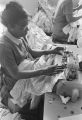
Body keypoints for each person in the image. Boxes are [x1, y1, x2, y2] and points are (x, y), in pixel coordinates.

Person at [0, 1, 65, 113]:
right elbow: (16, 74)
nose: (28, 30)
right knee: (38, 104)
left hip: (27, 69)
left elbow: (31, 52)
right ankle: (12, 101)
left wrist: (49, 51)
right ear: (11, 27)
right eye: (23, 27)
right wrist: (43, 71)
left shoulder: (19, 35)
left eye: (27, 25)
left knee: (52, 65)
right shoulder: (4, 46)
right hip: (16, 82)